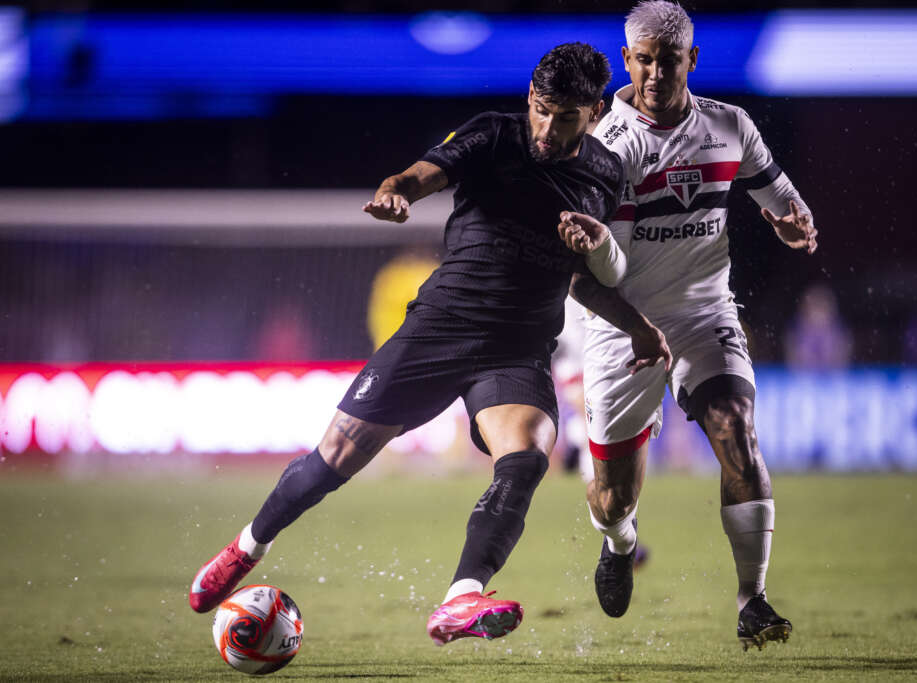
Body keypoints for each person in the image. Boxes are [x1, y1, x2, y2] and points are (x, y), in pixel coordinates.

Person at [187, 42, 671, 647]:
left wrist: (637, 324)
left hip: (518, 349)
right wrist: (397, 193)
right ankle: (246, 548)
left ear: (594, 112)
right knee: (333, 459)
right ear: (530, 97)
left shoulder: (605, 174)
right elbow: (417, 176)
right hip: (441, 327)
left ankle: (461, 599)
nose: (547, 128)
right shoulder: (494, 136)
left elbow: (582, 278)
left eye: (565, 116)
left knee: (525, 459)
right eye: (541, 109)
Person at [557, 0, 817, 651]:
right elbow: (593, 272)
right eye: (642, 60)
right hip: (621, 326)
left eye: (666, 60)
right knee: (614, 499)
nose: (652, 73)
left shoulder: (730, 127)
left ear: (691, 60)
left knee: (737, 430)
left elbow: (782, 199)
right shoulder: (606, 148)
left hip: (705, 314)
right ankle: (619, 543)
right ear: (627, 60)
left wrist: (794, 224)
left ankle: (751, 599)